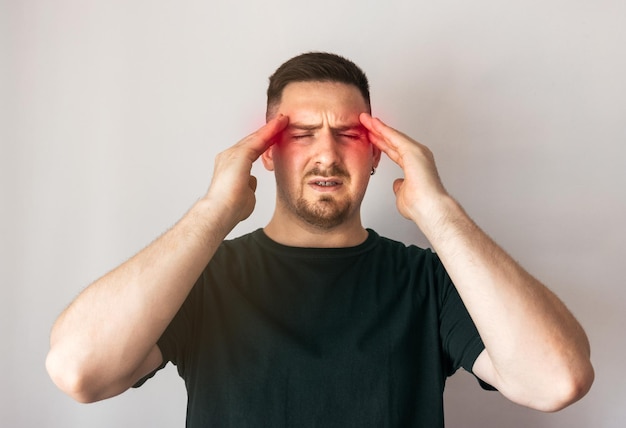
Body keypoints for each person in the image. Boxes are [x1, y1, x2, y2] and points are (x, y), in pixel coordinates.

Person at [46, 52, 594, 427]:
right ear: (267, 152)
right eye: (302, 135)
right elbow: (79, 370)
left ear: (378, 154)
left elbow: (557, 382)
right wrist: (213, 213)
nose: (327, 154)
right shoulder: (203, 277)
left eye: (350, 135)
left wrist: (441, 214)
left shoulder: (429, 282)